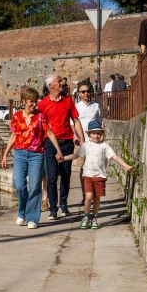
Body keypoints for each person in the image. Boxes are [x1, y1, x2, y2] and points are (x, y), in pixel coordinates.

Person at [1, 86, 64, 229]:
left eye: (35, 102)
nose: (34, 105)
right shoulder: (17, 116)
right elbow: (13, 136)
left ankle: (32, 218)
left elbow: (50, 133)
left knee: (35, 186)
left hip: (37, 154)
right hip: (20, 154)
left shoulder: (41, 116)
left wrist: (58, 150)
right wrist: (5, 154)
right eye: (31, 102)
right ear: (24, 101)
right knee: (19, 184)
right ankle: (22, 211)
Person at [64, 119, 133, 229]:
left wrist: (126, 166)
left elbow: (115, 157)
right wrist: (64, 158)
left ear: (102, 134)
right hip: (88, 175)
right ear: (89, 134)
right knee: (89, 196)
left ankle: (95, 218)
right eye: (94, 133)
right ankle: (86, 217)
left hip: (100, 176)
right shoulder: (86, 145)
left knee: (97, 198)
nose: (96, 135)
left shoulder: (104, 146)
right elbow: (76, 155)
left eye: (98, 133)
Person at [38, 73, 85, 220]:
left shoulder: (68, 101)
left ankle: (63, 204)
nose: (62, 83)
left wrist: (82, 140)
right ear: (51, 85)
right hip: (50, 144)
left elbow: (76, 121)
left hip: (67, 142)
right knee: (51, 178)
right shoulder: (42, 104)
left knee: (66, 176)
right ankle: (53, 209)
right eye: (59, 81)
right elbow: (39, 125)